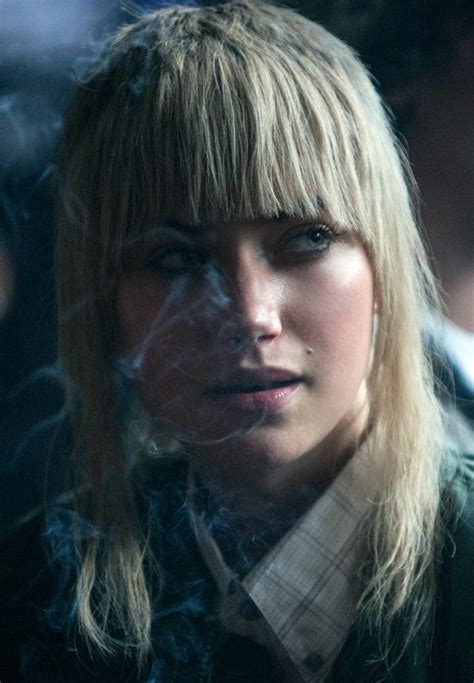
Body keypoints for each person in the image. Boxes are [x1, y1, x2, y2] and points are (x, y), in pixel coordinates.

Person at [1, 1, 473, 680]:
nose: (249, 314)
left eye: (306, 239)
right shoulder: (28, 596)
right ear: (106, 306)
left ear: (384, 266)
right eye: (176, 258)